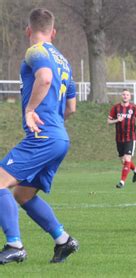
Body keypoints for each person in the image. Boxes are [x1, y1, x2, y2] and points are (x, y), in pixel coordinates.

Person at [0, 8, 79, 264]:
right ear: (53, 32)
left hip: (43, 137)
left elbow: (44, 78)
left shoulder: (36, 51)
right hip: (59, 137)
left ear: (28, 31)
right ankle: (63, 240)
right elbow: (72, 108)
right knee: (23, 195)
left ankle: (14, 245)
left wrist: (31, 110)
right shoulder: (64, 61)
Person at [107, 89, 136, 189]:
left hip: (130, 137)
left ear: (130, 97)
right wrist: (116, 120)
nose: (125, 96)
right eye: (123, 94)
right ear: (121, 96)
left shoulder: (134, 108)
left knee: (127, 159)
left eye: (127, 95)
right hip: (119, 138)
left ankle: (122, 182)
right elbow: (108, 121)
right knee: (124, 161)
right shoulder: (115, 108)